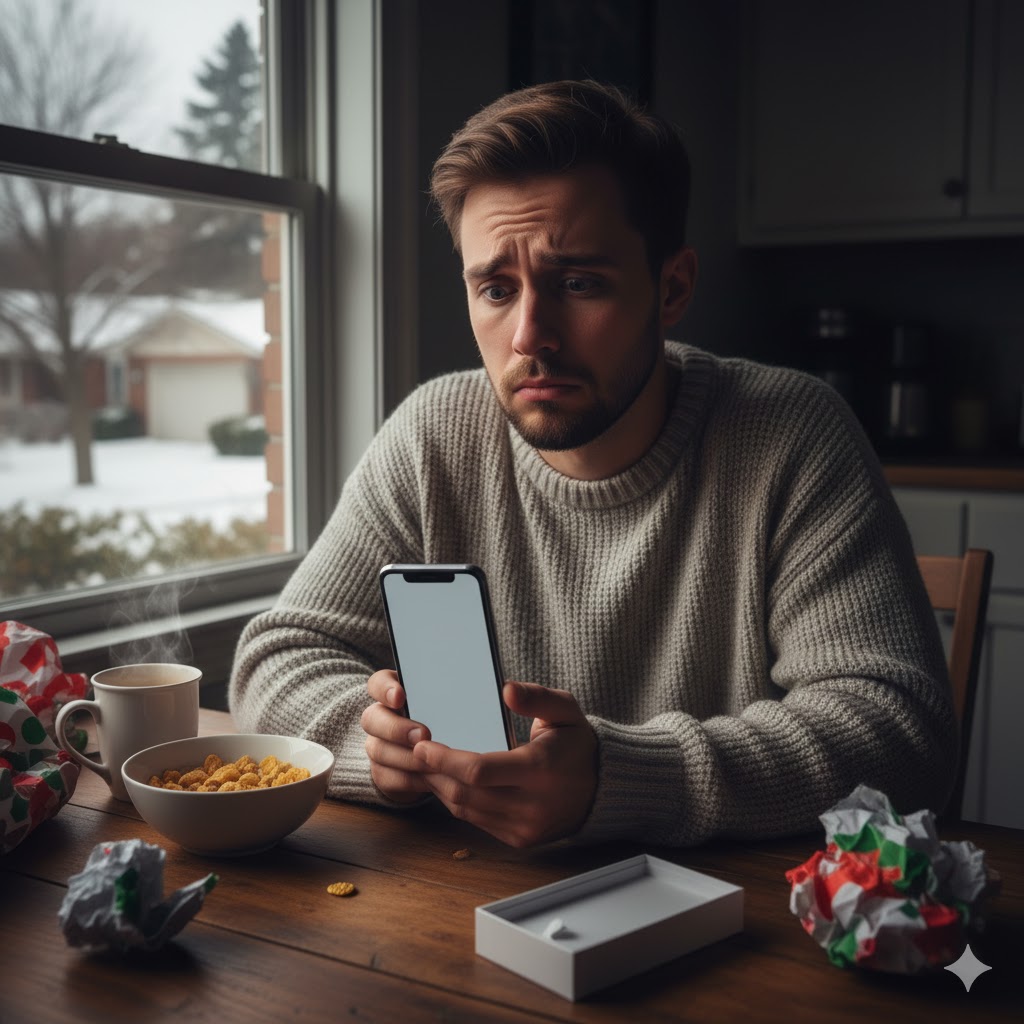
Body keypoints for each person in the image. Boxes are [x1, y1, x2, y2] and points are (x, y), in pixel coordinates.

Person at [229, 80, 955, 849]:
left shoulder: (792, 434)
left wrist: (623, 780)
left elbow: (900, 737)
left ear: (671, 287)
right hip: (464, 915)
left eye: (578, 283)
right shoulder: (432, 433)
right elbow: (274, 664)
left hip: (746, 929)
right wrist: (377, 747)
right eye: (496, 289)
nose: (529, 336)